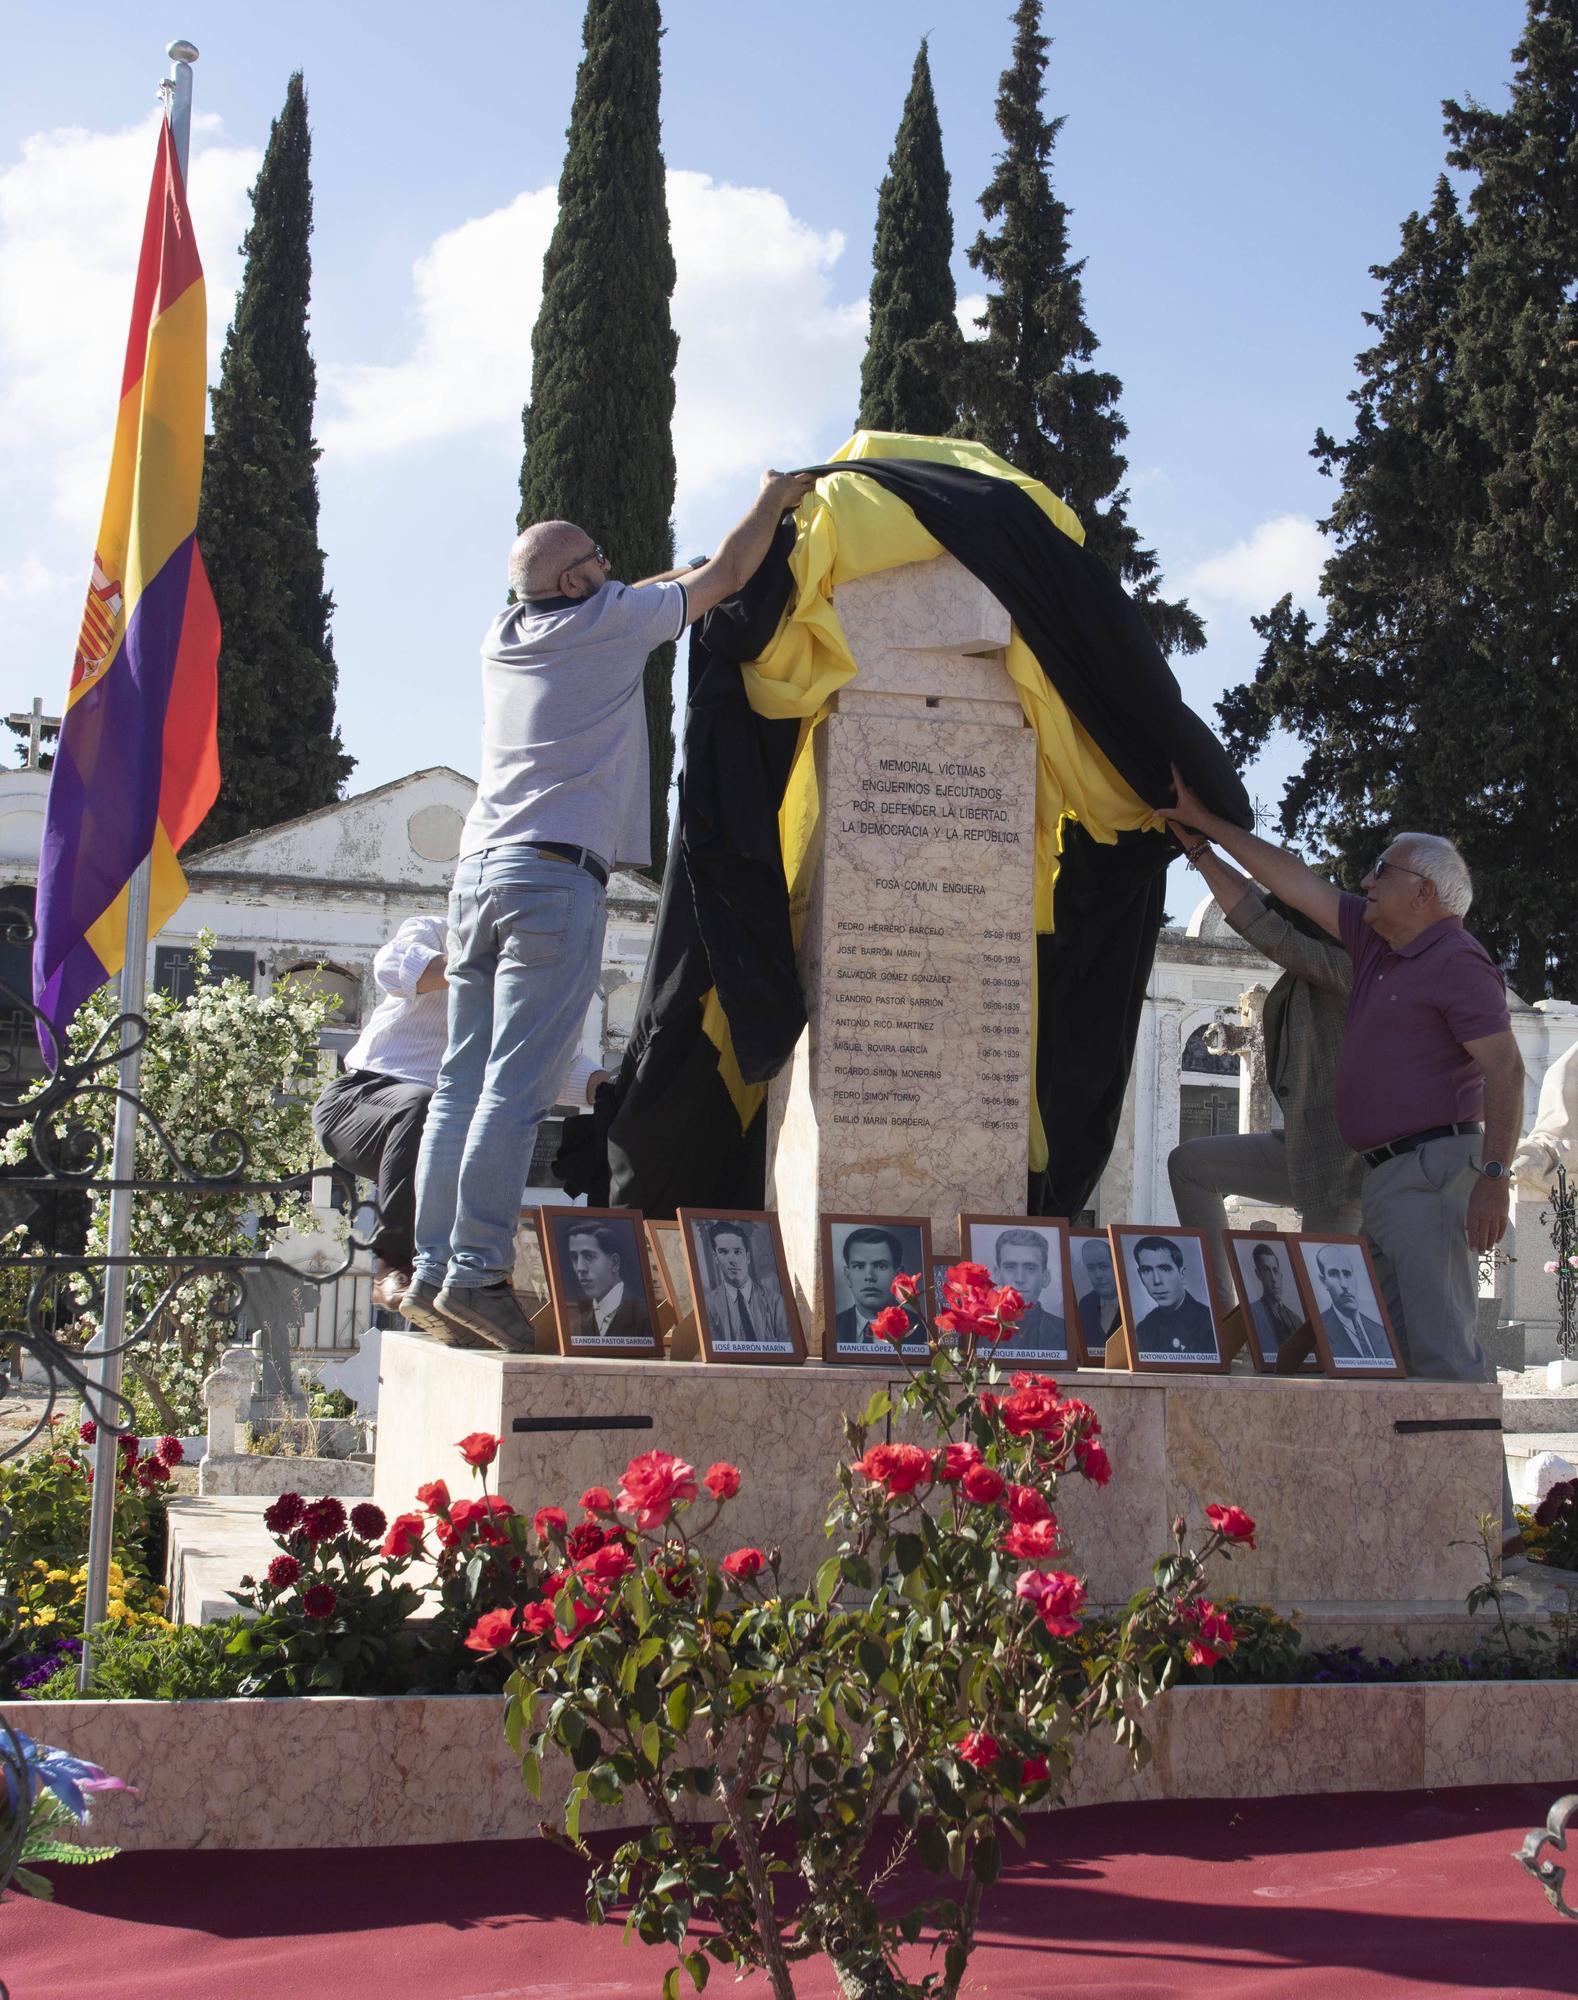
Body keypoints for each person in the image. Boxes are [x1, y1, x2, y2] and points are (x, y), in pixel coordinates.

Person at [402, 468, 817, 1350]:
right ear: (571, 583)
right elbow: (725, 581)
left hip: (478, 876)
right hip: (553, 880)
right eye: (597, 560)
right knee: (515, 1089)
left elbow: (642, 593)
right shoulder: (609, 625)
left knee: (459, 1087)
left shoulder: (508, 631)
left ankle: (433, 1272)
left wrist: (648, 580)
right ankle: (477, 1273)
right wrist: (771, 501)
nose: (612, 565)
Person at [1163, 767, 1525, 1554]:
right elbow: (1286, 886)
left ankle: (1489, 1540)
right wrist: (1203, 834)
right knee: (1389, 1360)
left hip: (1436, 1171)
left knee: (1445, 1359)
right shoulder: (1378, 942)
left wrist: (1495, 1178)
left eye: (1382, 871)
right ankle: (1427, 1533)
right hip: (1387, 1174)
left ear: (1424, 892)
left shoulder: (1455, 960)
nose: (1365, 881)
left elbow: (1504, 1070)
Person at [312, 913, 605, 1326]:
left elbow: (560, 1067)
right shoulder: (434, 930)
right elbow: (392, 968)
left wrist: (612, 1088)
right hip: (362, 1099)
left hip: (440, 1129)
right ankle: (391, 1264)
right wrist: (477, 966)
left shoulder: (531, 990)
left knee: (480, 1143)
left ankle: (470, 1290)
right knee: (425, 1106)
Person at [1166, 840, 1363, 1308]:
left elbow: (1264, 927)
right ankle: (1221, 1312)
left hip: (1344, 1167)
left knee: (1326, 1310)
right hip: (1301, 1146)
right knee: (1191, 1165)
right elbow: (1266, 914)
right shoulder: (1300, 980)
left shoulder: (1349, 968)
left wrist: (1199, 849)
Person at [701, 1222, 790, 1346]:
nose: (731, 1260)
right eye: (723, 1252)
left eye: (737, 1252)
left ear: (747, 1257)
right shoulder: (708, 1305)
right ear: (716, 1258)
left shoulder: (775, 1301)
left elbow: (787, 1346)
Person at [834, 1226, 923, 1347]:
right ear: (848, 1276)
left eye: (880, 1266)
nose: (869, 1276)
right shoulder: (833, 1327)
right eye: (859, 1266)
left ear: (898, 1275)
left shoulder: (923, 1330)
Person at [1131, 1236, 1218, 1356]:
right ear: (1140, 1276)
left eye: (1165, 1269)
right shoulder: (1145, 1328)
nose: (1156, 1280)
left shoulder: (1208, 1324)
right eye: (1147, 1270)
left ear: (1182, 1274)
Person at [565, 1220, 647, 1344]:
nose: (580, 1268)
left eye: (589, 1256)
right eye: (575, 1257)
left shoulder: (645, 1317)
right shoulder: (577, 1326)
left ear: (614, 1263)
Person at [989, 1228, 1067, 1353]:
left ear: (1045, 1278)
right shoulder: (976, 1333)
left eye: (1030, 1268)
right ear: (997, 1274)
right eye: (1010, 1267)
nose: (1020, 1279)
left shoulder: (1065, 1331)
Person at [1314, 1242, 1389, 1364]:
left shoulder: (1380, 1331)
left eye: (1347, 1274)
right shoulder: (1318, 1329)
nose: (1344, 1284)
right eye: (1334, 1274)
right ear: (1323, 1281)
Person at [1246, 1241, 1305, 1359]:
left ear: (1281, 1276)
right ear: (1258, 1275)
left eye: (1275, 1270)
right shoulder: (1252, 1313)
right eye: (1266, 1270)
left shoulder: (1296, 1320)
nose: (1273, 1279)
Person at [1075, 1238, 1121, 1352]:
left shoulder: (1133, 1302)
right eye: (1091, 1268)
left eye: (1104, 1266)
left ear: (1116, 1266)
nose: (1098, 1275)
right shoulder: (1085, 1304)